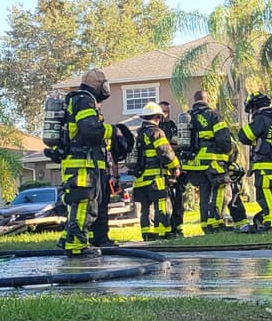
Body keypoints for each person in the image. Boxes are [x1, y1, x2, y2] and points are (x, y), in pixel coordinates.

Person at [53, 67, 114, 258]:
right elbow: (90, 129)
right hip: (82, 165)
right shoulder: (85, 100)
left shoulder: (75, 99)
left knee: (77, 204)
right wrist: (113, 131)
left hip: (76, 163)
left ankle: (67, 238)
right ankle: (77, 246)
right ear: (98, 85)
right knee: (85, 205)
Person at [239, 90, 272, 231]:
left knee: (265, 192)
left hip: (264, 164)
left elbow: (245, 136)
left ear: (254, 106)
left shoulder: (261, 119)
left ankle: (271, 221)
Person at [182, 90, 233, 233]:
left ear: (195, 100)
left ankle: (205, 225)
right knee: (220, 188)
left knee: (204, 194)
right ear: (207, 100)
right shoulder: (213, 115)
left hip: (194, 165)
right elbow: (223, 140)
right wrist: (228, 153)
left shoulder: (188, 117)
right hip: (212, 162)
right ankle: (216, 222)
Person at [129, 102, 181, 240]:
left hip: (141, 179)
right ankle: (163, 233)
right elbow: (165, 153)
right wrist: (175, 166)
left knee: (146, 208)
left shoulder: (138, 134)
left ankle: (147, 234)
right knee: (162, 204)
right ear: (158, 117)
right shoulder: (157, 132)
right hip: (155, 178)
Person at [158, 98, 186, 238]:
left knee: (178, 199)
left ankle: (178, 227)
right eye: (163, 112)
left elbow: (177, 143)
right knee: (165, 200)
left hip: (175, 166)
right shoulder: (155, 129)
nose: (165, 115)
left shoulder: (172, 125)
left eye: (167, 112)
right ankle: (167, 228)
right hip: (160, 170)